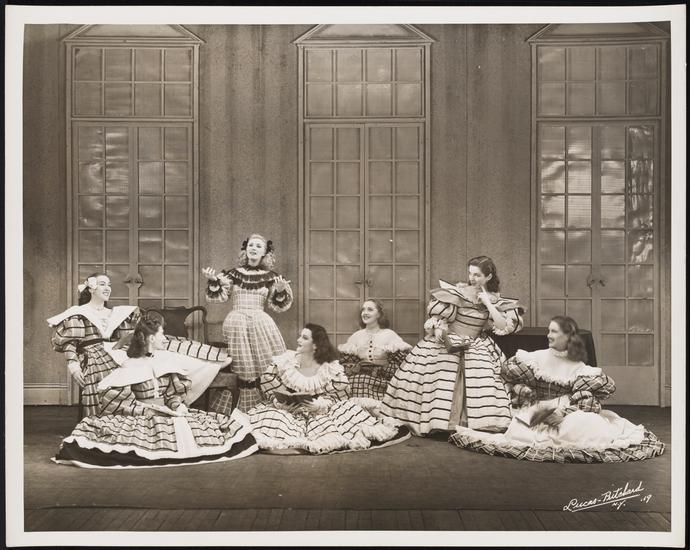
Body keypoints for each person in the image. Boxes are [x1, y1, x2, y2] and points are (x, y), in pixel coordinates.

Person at [450, 316, 665, 463]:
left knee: (586, 425)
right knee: (522, 431)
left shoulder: (580, 368)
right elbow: (509, 377)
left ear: (567, 336)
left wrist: (564, 412)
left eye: (553, 332)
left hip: (567, 410)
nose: (548, 335)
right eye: (549, 331)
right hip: (538, 407)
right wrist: (522, 390)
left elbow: (586, 400)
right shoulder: (534, 358)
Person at [53, 315, 258, 468]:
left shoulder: (163, 362)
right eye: (161, 334)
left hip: (168, 414)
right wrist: (154, 411)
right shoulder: (130, 366)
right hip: (142, 416)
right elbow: (123, 404)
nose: (164, 339)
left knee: (214, 432)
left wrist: (177, 406)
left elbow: (171, 395)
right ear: (151, 338)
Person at [381, 256, 524, 436]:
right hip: (449, 341)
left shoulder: (495, 300)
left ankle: (474, 423)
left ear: (488, 277)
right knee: (442, 380)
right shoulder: (457, 292)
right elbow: (439, 320)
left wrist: (488, 303)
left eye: (477, 275)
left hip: (476, 344)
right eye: (470, 273)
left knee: (480, 378)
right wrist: (440, 331)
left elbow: (502, 326)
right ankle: (439, 423)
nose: (472, 278)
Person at [246, 323, 410, 455]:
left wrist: (320, 404)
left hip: (319, 411)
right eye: (300, 336)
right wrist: (281, 402)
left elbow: (339, 394)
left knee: (346, 414)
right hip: (289, 410)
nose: (298, 340)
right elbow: (269, 381)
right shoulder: (287, 361)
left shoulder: (329, 367)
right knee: (272, 420)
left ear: (315, 345)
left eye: (304, 338)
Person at [203, 234, 292, 413]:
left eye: (259, 246)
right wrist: (214, 281)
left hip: (261, 322)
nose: (254, 248)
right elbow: (219, 297)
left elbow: (278, 306)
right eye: (251, 245)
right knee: (241, 365)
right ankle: (241, 408)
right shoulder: (232, 274)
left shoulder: (272, 277)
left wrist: (280, 291)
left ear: (265, 253)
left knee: (268, 363)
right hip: (237, 324)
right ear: (245, 249)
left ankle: (268, 404)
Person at [47, 274, 140, 418]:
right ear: (91, 289)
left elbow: (123, 340)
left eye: (109, 285)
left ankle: (120, 419)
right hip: (91, 356)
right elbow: (70, 343)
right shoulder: (79, 312)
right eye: (102, 284)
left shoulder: (116, 313)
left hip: (114, 352)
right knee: (101, 371)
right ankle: (98, 419)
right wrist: (74, 366)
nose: (107, 288)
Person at [338, 299, 412, 409]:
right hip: (359, 378)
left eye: (370, 309)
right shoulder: (357, 336)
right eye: (363, 310)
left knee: (363, 382)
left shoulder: (389, 335)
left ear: (379, 314)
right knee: (355, 382)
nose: (365, 313)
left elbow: (401, 361)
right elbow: (346, 361)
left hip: (382, 379)